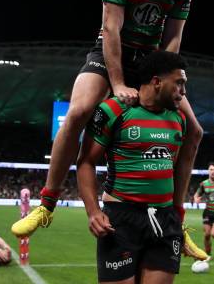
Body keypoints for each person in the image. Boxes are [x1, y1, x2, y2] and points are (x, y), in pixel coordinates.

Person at [12, 0, 202, 240]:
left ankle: (176, 218)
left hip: (150, 61)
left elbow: (173, 39)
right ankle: (46, 204)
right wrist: (117, 83)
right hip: (110, 53)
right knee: (79, 110)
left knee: (195, 131)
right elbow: (111, 28)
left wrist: (159, 78)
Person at [78, 51, 200, 283]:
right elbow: (85, 162)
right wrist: (93, 211)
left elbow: (174, 167)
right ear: (156, 82)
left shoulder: (179, 119)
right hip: (121, 220)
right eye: (179, 84)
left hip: (165, 219)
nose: (183, 92)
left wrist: (177, 215)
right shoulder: (112, 111)